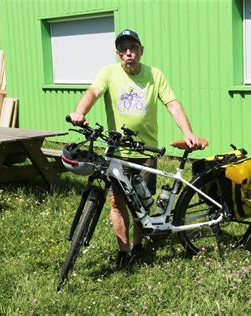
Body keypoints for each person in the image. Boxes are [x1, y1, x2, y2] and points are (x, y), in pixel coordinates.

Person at [69, 29, 202, 269]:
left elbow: (172, 103)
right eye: (123, 49)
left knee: (143, 203)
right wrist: (81, 112)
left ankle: (139, 246)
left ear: (141, 50)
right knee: (118, 203)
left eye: (133, 48)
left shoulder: (154, 75)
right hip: (117, 152)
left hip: (146, 152)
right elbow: (93, 92)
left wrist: (187, 132)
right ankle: (124, 251)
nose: (128, 53)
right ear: (118, 53)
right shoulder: (108, 73)